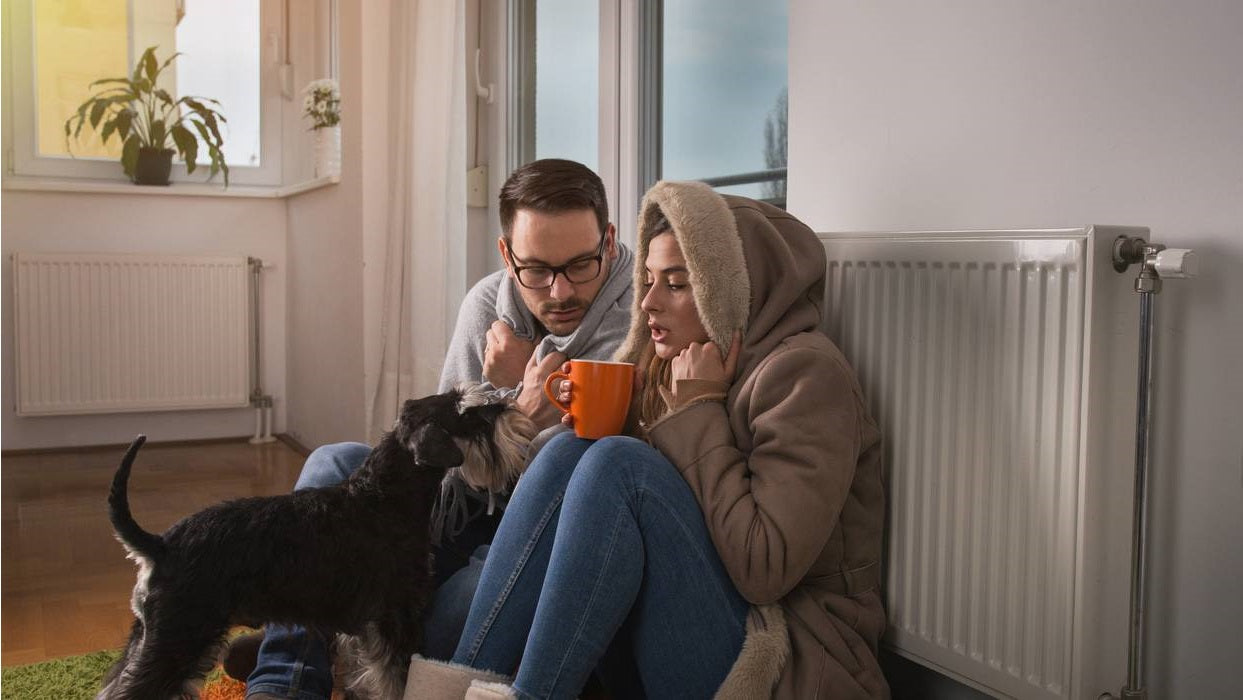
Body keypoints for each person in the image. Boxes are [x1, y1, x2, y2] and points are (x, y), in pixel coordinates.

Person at [404, 181, 890, 699]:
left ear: (732, 289)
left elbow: (762, 568)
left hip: (784, 654)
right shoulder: (670, 366)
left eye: (677, 284)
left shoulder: (805, 375)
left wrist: (699, 411)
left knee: (619, 464)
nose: (649, 301)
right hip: (699, 621)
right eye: (649, 280)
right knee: (576, 449)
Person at [231, 159, 635, 700]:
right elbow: (441, 480)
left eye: (580, 264)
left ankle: (333, 646)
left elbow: (588, 487)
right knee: (333, 464)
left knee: (465, 596)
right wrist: (519, 408)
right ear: (506, 254)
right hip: (460, 509)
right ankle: (286, 676)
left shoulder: (640, 321)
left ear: (608, 241)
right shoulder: (487, 305)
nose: (559, 291)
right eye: (536, 269)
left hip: (535, 540)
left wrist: (517, 395)